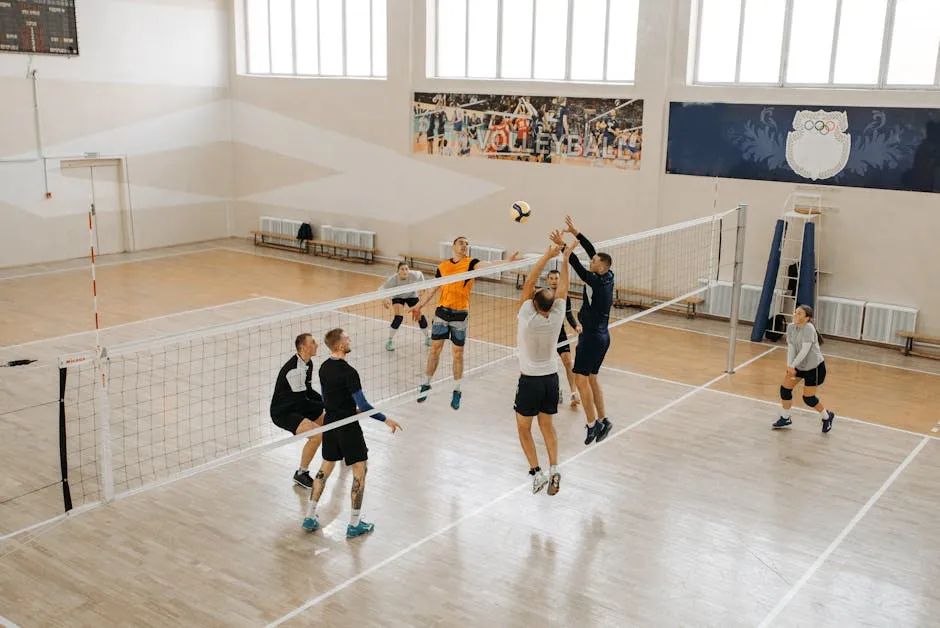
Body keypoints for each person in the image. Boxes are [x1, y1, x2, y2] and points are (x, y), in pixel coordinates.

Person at [302, 328, 403, 537]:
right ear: (340, 346)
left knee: (325, 468)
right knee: (360, 470)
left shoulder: (323, 368)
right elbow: (364, 406)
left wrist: (347, 409)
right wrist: (386, 419)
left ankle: (310, 517)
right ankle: (354, 524)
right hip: (348, 426)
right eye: (347, 338)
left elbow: (332, 399)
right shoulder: (349, 372)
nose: (350, 339)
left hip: (330, 423)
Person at [411, 237, 520, 410]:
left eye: (467, 244)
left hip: (460, 314)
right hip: (442, 312)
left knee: (458, 353)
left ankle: (457, 389)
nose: (465, 246)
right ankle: (426, 384)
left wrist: (507, 261)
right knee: (434, 350)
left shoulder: (471, 263)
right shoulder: (443, 267)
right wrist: (418, 305)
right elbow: (433, 289)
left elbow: (489, 264)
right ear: (453, 247)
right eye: (461, 243)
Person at [515, 234, 572, 495]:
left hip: (530, 380)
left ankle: (536, 473)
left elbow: (527, 283)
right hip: (551, 379)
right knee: (547, 426)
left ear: (535, 305)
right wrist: (565, 257)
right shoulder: (558, 314)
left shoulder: (528, 316)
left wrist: (547, 256)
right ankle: (555, 468)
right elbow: (564, 288)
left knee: (524, 428)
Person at [553, 215, 615, 446]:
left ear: (601, 266)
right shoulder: (608, 275)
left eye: (594, 262)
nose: (591, 262)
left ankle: (592, 424)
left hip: (590, 338)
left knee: (580, 381)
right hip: (603, 336)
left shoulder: (595, 281)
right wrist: (576, 233)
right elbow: (592, 252)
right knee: (592, 379)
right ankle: (604, 419)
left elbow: (576, 265)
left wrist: (563, 247)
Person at [270, 333, 326, 489]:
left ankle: (337, 449)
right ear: (303, 347)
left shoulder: (308, 363)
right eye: (313, 342)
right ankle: (301, 473)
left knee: (327, 421)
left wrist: (325, 401)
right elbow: (302, 401)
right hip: (283, 412)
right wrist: (324, 404)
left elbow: (308, 391)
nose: (317, 345)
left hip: (296, 405)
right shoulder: (294, 370)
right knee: (317, 435)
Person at [772, 305, 836, 433]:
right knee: (785, 389)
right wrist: (790, 365)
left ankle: (827, 416)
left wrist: (793, 365)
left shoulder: (809, 328)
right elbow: (791, 348)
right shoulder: (791, 327)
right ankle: (785, 418)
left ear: (807, 318)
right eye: (795, 312)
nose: (795, 314)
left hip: (814, 368)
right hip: (798, 365)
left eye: (800, 313)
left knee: (808, 398)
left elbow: (804, 351)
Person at [546, 269, 581, 408]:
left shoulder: (565, 296)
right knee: (549, 365)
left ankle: (573, 393)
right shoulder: (544, 295)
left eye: (557, 278)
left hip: (559, 332)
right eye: (552, 278)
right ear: (547, 280)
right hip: (546, 333)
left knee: (567, 361)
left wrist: (576, 326)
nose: (554, 281)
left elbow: (569, 315)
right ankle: (555, 391)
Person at [381, 262, 430, 351]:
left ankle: (428, 338)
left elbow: (420, 275)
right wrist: (384, 299)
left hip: (411, 295)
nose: (405, 271)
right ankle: (389, 341)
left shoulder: (414, 275)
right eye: (402, 269)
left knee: (420, 316)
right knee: (398, 318)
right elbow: (382, 289)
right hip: (398, 296)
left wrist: (423, 286)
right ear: (398, 271)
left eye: (406, 269)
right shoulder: (393, 280)